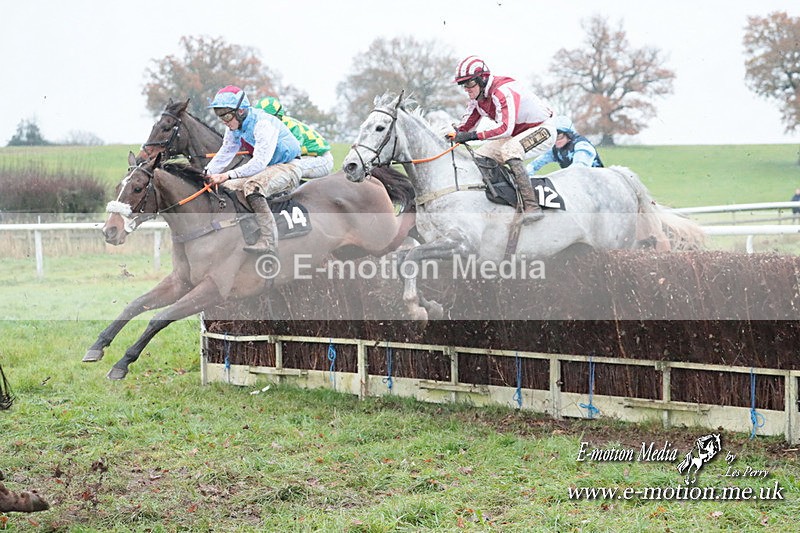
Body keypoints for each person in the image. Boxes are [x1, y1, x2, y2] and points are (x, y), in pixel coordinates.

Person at [448, 55, 556, 223]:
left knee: (510, 150)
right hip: (516, 134)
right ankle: (504, 199)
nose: (466, 89)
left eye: (469, 83)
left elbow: (506, 129)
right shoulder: (477, 98)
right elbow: (464, 127)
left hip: (542, 129)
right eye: (463, 85)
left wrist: (473, 136)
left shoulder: (501, 92)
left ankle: (531, 206)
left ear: (482, 79)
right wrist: (451, 135)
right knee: (479, 157)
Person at [205, 85, 302, 256]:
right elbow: (225, 153)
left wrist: (226, 174)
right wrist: (205, 174)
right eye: (219, 115)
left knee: (252, 187)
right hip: (268, 168)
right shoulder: (233, 128)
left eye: (226, 115)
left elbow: (259, 163)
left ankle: (269, 240)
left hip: (289, 166)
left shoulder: (263, 123)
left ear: (241, 111)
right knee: (227, 187)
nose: (223, 121)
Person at [255, 97, 334, 179]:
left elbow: (293, 152)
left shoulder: (290, 126)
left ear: (277, 117)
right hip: (304, 158)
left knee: (282, 169)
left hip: (321, 159)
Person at [526, 115, 604, 175]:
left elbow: (579, 168)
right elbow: (535, 164)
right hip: (579, 184)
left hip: (597, 183)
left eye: (559, 137)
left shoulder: (582, 145)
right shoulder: (555, 150)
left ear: (569, 134)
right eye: (553, 138)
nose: (556, 141)